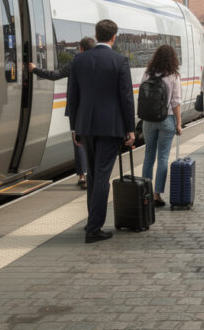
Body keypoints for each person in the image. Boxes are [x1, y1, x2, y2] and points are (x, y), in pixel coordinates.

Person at [66, 19, 135, 244]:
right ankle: (94, 229)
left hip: (86, 126)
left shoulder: (79, 60)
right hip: (111, 127)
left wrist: (74, 128)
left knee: (94, 175)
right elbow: (126, 98)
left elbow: (73, 97)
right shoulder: (120, 61)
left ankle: (91, 221)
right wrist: (130, 129)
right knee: (102, 177)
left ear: (96, 35)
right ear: (114, 37)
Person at [30, 36, 96, 188]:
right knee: (94, 140)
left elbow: (55, 75)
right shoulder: (99, 62)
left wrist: (34, 69)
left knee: (79, 141)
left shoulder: (75, 62)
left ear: (80, 48)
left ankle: (82, 176)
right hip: (96, 108)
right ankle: (94, 174)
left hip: (78, 108)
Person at [139, 44, 183, 207]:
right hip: (167, 119)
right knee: (163, 157)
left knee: (149, 155)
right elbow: (176, 102)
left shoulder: (147, 73)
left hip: (148, 120)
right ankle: (157, 195)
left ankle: (145, 193)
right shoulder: (173, 76)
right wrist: (179, 123)